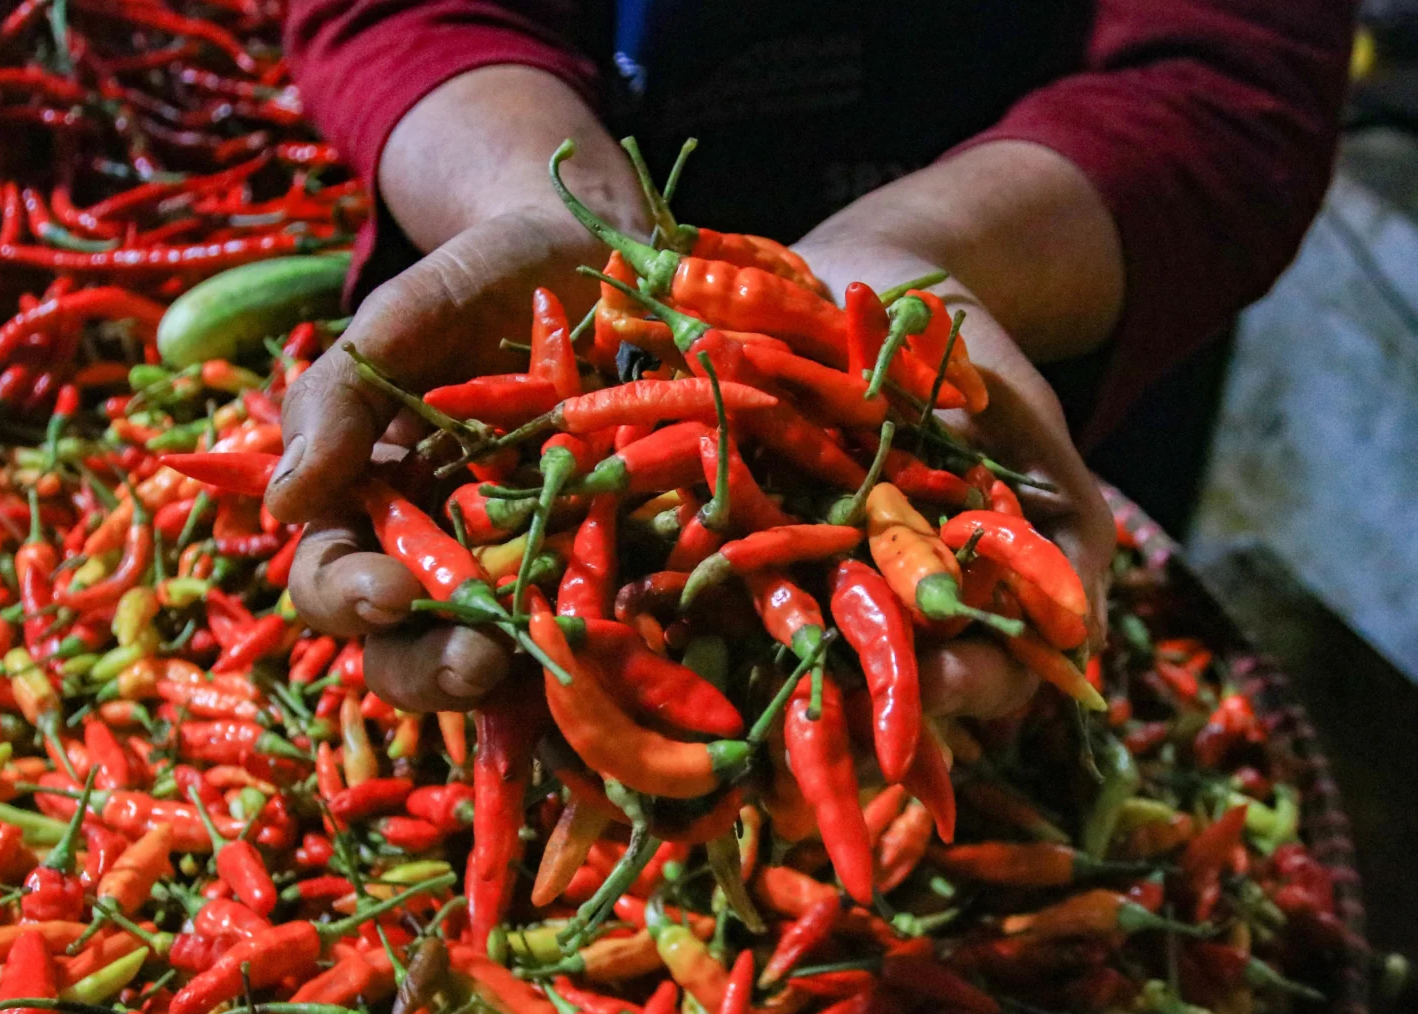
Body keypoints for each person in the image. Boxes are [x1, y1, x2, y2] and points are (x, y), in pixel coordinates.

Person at [268, 0, 1356, 718]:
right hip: (600, 202)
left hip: (1038, 277)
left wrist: (929, 254)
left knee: (994, 604)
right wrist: (537, 196)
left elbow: (1228, 74)